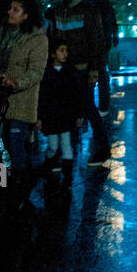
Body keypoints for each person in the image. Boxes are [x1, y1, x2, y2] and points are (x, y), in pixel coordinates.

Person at [0, 0, 48, 204]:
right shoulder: (0, 32)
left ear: (26, 15)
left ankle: (20, 190)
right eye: (10, 8)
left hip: (20, 100)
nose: (10, 12)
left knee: (15, 146)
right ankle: (1, 188)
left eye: (16, 10)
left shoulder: (36, 38)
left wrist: (17, 83)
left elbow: (36, 71)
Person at [45, 0, 110, 165]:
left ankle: (103, 148)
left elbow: (97, 41)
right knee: (66, 109)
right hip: (64, 68)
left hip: (81, 68)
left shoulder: (88, 9)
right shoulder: (59, 9)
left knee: (88, 108)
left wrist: (94, 71)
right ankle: (67, 153)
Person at [37, 39, 86, 204]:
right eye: (61, 51)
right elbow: (41, 98)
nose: (65, 54)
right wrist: (39, 117)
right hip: (51, 116)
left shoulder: (70, 72)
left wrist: (78, 114)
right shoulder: (46, 73)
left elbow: (77, 95)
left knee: (65, 145)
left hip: (65, 116)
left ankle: (67, 176)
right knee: (53, 145)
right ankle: (49, 164)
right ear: (53, 54)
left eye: (66, 51)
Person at [87, 0, 118, 118]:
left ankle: (89, 105)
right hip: (103, 41)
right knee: (101, 72)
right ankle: (103, 106)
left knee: (89, 73)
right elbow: (112, 20)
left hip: (89, 42)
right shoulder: (105, 2)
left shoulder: (88, 1)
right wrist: (114, 36)